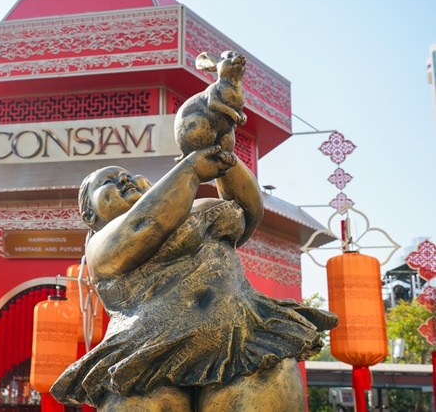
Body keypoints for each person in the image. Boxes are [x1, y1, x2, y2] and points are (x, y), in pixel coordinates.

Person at [50, 146, 338, 411]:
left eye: (128, 175)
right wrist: (190, 168)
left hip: (242, 339)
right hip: (146, 358)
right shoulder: (101, 242)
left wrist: (223, 155)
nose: (124, 179)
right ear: (89, 215)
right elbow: (145, 224)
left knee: (270, 380)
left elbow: (248, 209)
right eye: (108, 181)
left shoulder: (199, 208)